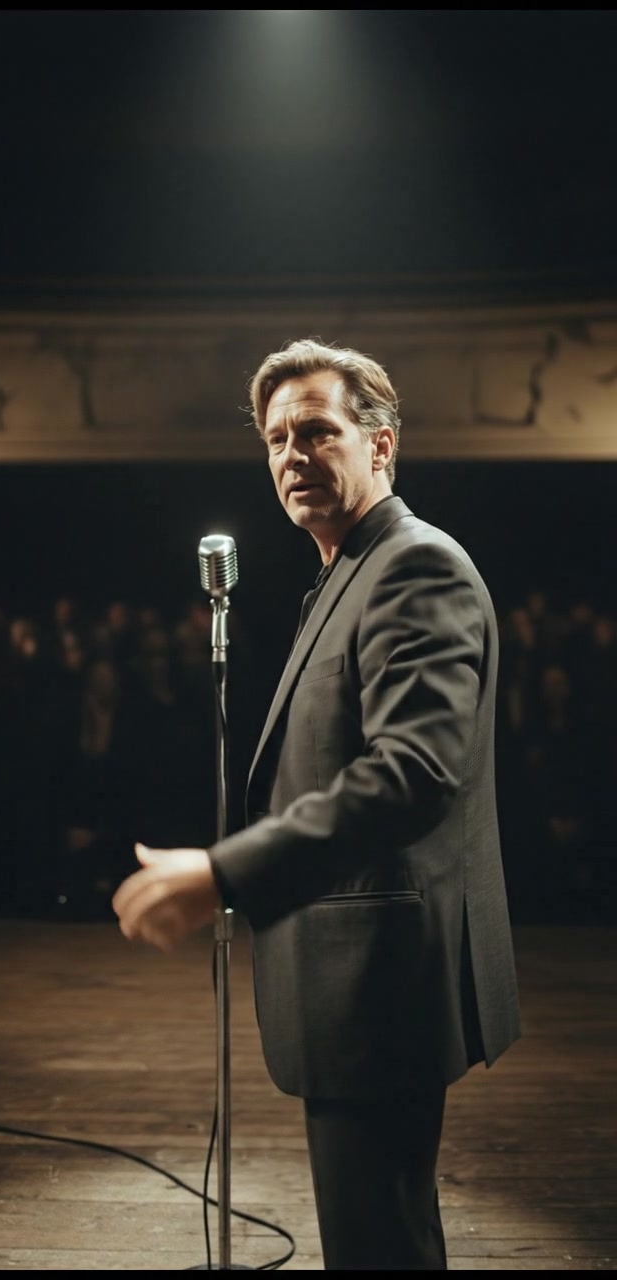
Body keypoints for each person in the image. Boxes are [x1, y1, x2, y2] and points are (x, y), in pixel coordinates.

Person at [112, 338, 521, 1271]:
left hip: (380, 983)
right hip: (357, 978)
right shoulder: (345, 570)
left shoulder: (418, 568)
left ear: (381, 446)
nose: (292, 455)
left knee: (380, 1245)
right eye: (275, 439)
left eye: (317, 431)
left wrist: (225, 869)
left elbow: (414, 771)